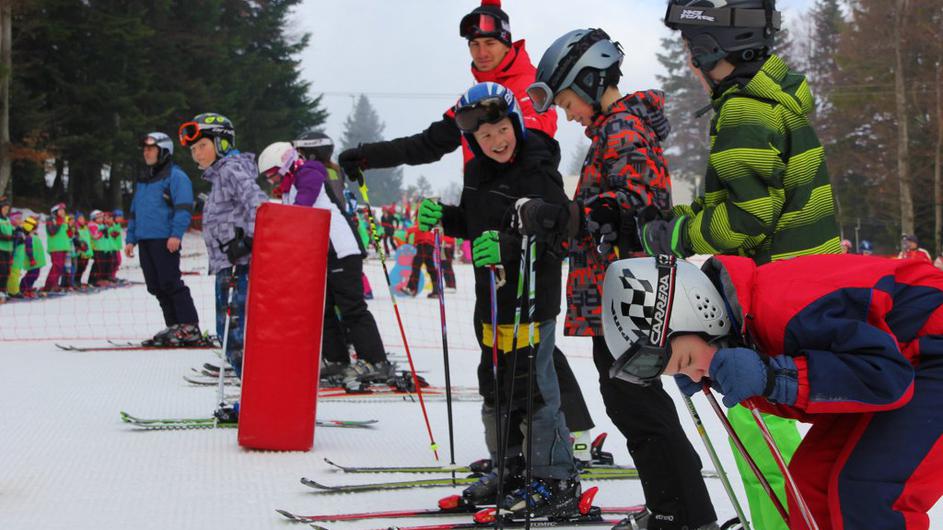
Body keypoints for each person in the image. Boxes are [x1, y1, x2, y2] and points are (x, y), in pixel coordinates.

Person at [337, 0, 596, 455]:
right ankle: (522, 449)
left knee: (534, 344)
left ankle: (567, 440)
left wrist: (515, 219)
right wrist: (368, 156)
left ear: (508, 43)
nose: (481, 52)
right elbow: (429, 143)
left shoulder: (526, 87)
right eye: (474, 45)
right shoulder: (475, 99)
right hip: (486, 226)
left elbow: (534, 154)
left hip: (526, 231)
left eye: (490, 43)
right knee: (509, 351)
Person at [635, 2, 846, 527]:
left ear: (717, 51)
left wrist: (678, 235)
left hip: (779, 293)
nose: (690, 64)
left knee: (759, 430)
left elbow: (748, 219)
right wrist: (677, 219)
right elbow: (749, 201)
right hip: (806, 284)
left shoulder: (744, 112)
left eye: (693, 51)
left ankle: (784, 523)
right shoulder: (770, 104)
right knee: (776, 427)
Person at [515, 28, 718, 530]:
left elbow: (635, 209)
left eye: (567, 102)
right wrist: (566, 223)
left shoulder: (623, 129)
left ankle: (683, 515)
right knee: (632, 406)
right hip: (616, 295)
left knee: (639, 408)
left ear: (590, 80)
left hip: (629, 298)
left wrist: (563, 216)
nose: (568, 115)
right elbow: (610, 211)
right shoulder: (613, 130)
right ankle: (672, 509)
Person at [601, 254, 943, 530]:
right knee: (810, 482)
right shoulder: (747, 326)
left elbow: (887, 378)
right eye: (682, 372)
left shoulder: (783, 307)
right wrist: (764, 382)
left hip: (929, 351)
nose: (694, 375)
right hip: (907, 362)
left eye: (688, 361)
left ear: (701, 312)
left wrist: (775, 378)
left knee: (869, 489)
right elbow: (833, 397)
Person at [419, 82, 579, 517]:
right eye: (485, 135)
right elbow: (477, 224)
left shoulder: (538, 167)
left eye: (502, 129)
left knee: (534, 389)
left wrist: (509, 246)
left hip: (532, 297)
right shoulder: (477, 172)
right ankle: (511, 469)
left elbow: (560, 232)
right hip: (491, 300)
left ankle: (557, 479)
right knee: (495, 387)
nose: (496, 141)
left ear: (516, 124)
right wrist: (445, 217)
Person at [257, 140, 393, 387]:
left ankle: (376, 361)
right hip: (321, 254)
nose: (272, 181)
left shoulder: (307, 174)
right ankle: (336, 359)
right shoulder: (290, 187)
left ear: (286, 164)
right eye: (268, 177)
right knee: (324, 308)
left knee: (351, 307)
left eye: (273, 174)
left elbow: (302, 210)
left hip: (340, 249)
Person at [179, 112, 267, 377]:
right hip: (227, 264)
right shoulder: (220, 175)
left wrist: (248, 240)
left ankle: (251, 378)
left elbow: (258, 204)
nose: (197, 154)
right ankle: (245, 374)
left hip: (239, 264)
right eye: (193, 149)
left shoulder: (231, 170)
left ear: (222, 143)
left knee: (234, 328)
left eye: (202, 146)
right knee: (227, 327)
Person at [125, 132, 202, 346]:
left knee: (170, 282)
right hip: (145, 239)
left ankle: (189, 326)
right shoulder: (144, 179)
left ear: (164, 151)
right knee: (155, 285)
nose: (146, 153)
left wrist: (176, 234)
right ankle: (174, 327)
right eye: (145, 149)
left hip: (165, 239)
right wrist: (130, 238)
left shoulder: (176, 177)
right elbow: (135, 211)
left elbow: (183, 208)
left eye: (151, 149)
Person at [42, 202, 70, 292]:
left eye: (63, 210)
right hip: (56, 247)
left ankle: (55, 284)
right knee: (56, 267)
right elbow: (51, 231)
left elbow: (66, 234)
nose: (63, 212)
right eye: (60, 210)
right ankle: (49, 286)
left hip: (63, 247)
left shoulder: (63, 220)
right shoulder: (51, 219)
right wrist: (59, 223)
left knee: (60, 267)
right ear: (55, 211)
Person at [18, 216, 44, 297]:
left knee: (35, 275)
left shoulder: (33, 236)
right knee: (31, 275)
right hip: (32, 260)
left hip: (37, 261)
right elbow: (28, 249)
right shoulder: (28, 238)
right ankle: (24, 288)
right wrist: (31, 259)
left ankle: (29, 287)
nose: (36, 228)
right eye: (35, 227)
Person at [0, 196, 12, 303]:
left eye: (7, 209)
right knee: (2, 270)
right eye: (4, 208)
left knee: (7, 271)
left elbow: (11, 231)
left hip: (7, 249)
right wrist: (9, 237)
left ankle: (3, 291)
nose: (6, 210)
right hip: (0, 248)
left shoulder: (7, 220)